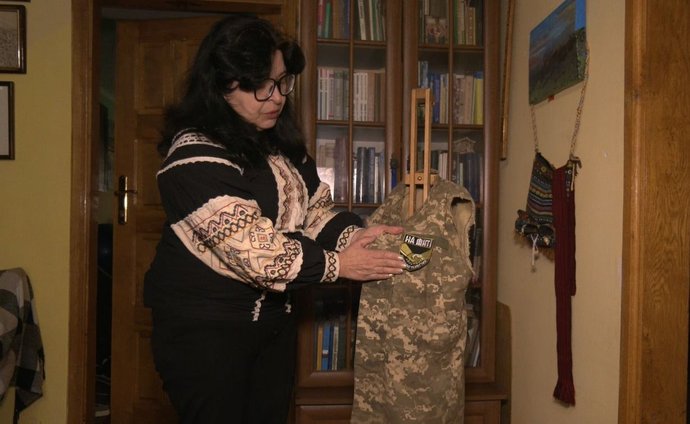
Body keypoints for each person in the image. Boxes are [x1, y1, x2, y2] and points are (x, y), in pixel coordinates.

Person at [143, 14, 406, 424]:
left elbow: (314, 211)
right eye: (260, 85)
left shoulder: (280, 148)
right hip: (204, 334)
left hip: (273, 325)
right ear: (221, 85)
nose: (277, 97)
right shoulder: (192, 159)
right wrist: (341, 264)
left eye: (282, 82)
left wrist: (356, 237)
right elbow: (257, 253)